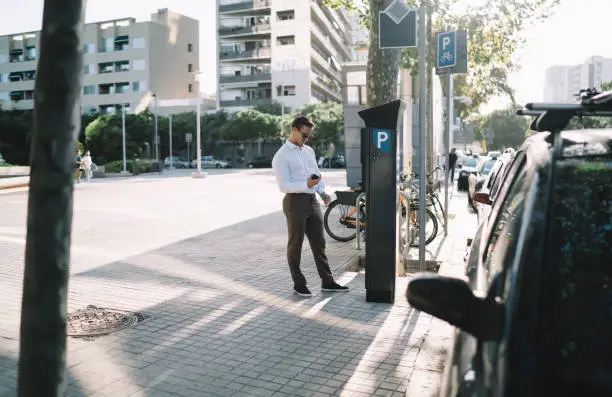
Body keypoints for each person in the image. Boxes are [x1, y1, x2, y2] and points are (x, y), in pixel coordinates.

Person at [272, 116, 349, 297]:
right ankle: (299, 284)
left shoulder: (308, 151)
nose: (306, 139)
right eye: (304, 135)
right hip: (294, 201)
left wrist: (322, 192)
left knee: (319, 243)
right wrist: (305, 185)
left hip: (312, 200)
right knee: (295, 244)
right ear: (294, 130)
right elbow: (284, 186)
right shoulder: (281, 156)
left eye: (309, 136)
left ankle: (327, 282)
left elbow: (316, 174)